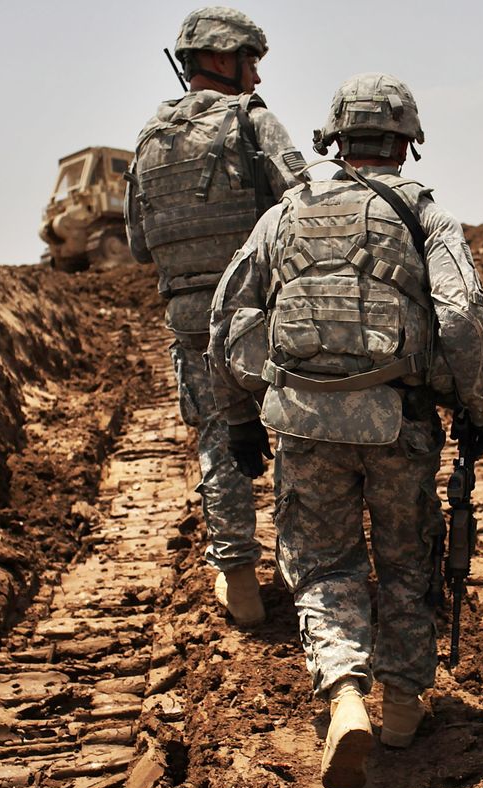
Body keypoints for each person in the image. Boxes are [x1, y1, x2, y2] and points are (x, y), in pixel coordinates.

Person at [209, 72, 483, 788]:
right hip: (397, 419)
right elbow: (460, 319)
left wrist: (247, 409)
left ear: (333, 139)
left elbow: (227, 319)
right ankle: (401, 708)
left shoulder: (283, 215)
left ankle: (342, 694)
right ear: (407, 141)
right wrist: (475, 408)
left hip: (303, 425)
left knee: (321, 562)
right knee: (406, 561)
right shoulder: (424, 214)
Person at [124, 7, 306, 627]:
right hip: (262, 311)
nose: (255, 76)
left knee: (220, 441)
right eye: (249, 61)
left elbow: (139, 244)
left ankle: (238, 579)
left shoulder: (149, 138)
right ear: (222, 59)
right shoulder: (253, 122)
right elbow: (304, 210)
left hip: (190, 319)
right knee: (295, 437)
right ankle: (302, 563)